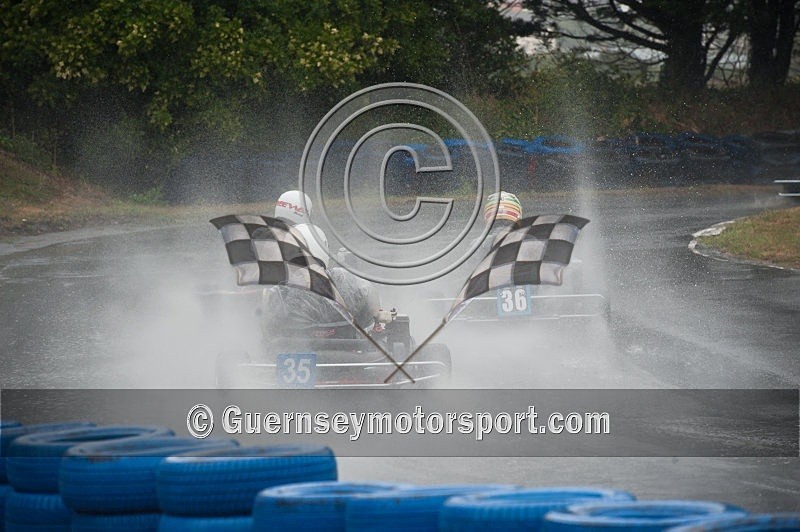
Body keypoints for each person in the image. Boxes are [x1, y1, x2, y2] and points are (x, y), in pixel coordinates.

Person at [261, 190, 382, 336]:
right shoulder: (344, 278)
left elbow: (269, 329)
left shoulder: (279, 290)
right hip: (345, 343)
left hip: (296, 346)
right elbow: (369, 308)